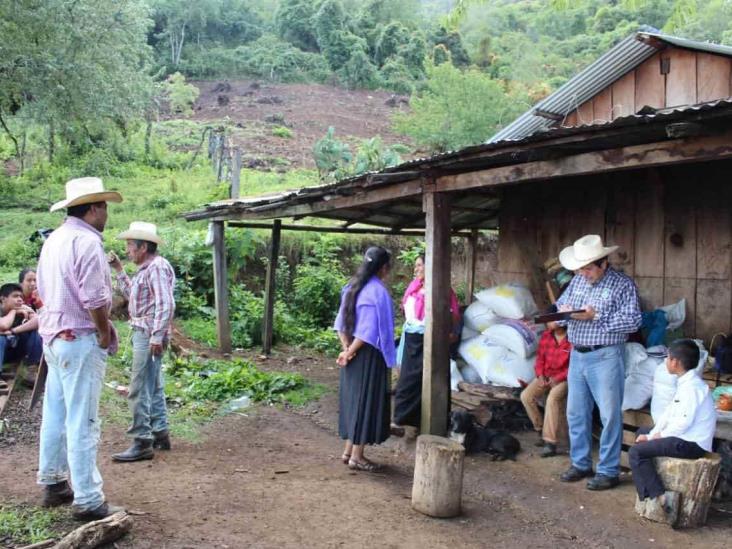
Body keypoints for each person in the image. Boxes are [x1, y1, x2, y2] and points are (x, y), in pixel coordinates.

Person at [36, 177, 124, 520]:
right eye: (103, 206)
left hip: (55, 338)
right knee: (82, 420)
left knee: (55, 413)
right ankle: (88, 499)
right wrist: (103, 332)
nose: (106, 213)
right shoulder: (87, 243)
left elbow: (44, 290)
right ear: (92, 208)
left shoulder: (54, 240)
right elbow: (95, 298)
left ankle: (54, 482)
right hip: (80, 339)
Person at [556, 234, 642, 491]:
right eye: (580, 268)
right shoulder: (577, 282)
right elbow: (561, 305)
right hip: (577, 355)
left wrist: (596, 317)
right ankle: (581, 463)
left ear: (603, 263)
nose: (583, 273)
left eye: (588, 268)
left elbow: (634, 320)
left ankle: (608, 470)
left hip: (605, 355)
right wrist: (562, 312)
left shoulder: (623, 285)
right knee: (576, 412)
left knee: (609, 415)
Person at [629, 339, 716, 526]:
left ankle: (658, 497)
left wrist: (657, 436)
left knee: (636, 452)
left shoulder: (692, 388)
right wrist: (653, 433)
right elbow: (668, 414)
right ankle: (649, 491)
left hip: (691, 444)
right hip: (684, 437)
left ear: (675, 362)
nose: (666, 362)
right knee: (642, 432)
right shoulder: (685, 382)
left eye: (667, 358)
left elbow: (682, 422)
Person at [109, 222, 176, 462]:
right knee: (153, 383)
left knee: (138, 386)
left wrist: (157, 335)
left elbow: (165, 303)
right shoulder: (147, 269)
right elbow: (132, 297)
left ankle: (141, 440)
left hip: (148, 332)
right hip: (146, 330)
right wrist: (118, 269)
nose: (127, 250)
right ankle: (160, 432)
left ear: (144, 246)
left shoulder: (156, 267)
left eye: (130, 246)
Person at [334, 246, 395, 472]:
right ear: (383, 268)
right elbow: (368, 333)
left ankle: (348, 450)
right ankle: (358, 457)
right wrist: (351, 351)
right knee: (365, 403)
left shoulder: (352, 286)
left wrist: (346, 349)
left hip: (351, 353)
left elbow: (341, 323)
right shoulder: (377, 292)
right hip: (368, 355)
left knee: (353, 402)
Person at [392, 254, 460, 430]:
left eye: (420, 265)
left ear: (430, 267)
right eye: (415, 266)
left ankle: (431, 421)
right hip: (412, 340)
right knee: (408, 379)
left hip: (432, 340)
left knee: (432, 380)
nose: (416, 269)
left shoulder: (442, 290)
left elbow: (452, 315)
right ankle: (404, 419)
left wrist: (446, 333)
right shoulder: (414, 288)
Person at [520, 320, 570, 458]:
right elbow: (540, 359)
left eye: (553, 320)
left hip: (565, 379)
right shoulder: (546, 336)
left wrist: (557, 378)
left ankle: (550, 443)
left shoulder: (573, 337)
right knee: (526, 396)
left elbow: (574, 366)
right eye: (550, 320)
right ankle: (540, 429)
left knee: (552, 399)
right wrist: (540, 375)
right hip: (546, 375)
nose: (549, 323)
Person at [0, 283, 42, 388]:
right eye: (15, 296)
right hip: (3, 353)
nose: (19, 299)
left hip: (16, 350)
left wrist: (14, 331)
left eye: (20, 297)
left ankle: (31, 370)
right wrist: (13, 311)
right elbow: (4, 325)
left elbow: (39, 321)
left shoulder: (24, 308)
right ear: (3, 299)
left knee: (34, 331)